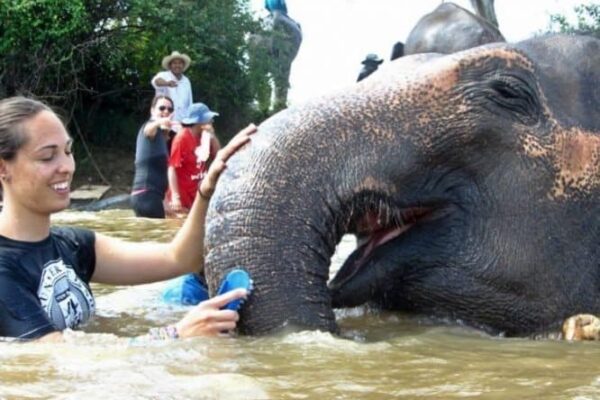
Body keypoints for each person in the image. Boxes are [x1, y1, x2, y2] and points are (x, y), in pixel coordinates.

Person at [0, 96, 257, 341]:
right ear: (3, 168)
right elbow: (52, 352)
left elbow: (179, 258)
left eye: (68, 151)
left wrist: (206, 191)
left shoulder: (72, 245)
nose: (67, 167)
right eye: (47, 156)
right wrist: (176, 334)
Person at [166, 102, 221, 214]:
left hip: (196, 194)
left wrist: (213, 136)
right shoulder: (182, 138)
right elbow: (172, 168)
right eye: (208, 119)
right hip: (182, 197)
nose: (211, 121)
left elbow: (219, 156)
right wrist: (176, 197)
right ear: (198, 122)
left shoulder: (205, 137)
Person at [130, 95, 179, 218]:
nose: (166, 111)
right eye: (161, 108)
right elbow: (148, 129)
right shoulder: (150, 127)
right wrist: (159, 121)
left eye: (170, 109)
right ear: (152, 111)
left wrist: (167, 207)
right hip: (146, 196)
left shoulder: (160, 138)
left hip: (153, 196)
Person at [151, 51, 194, 123]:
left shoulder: (186, 81)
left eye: (180, 63)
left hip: (182, 122)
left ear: (183, 65)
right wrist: (167, 83)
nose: (177, 65)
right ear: (170, 65)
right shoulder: (163, 75)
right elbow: (156, 81)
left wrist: (190, 120)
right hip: (163, 121)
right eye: (174, 63)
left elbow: (190, 102)